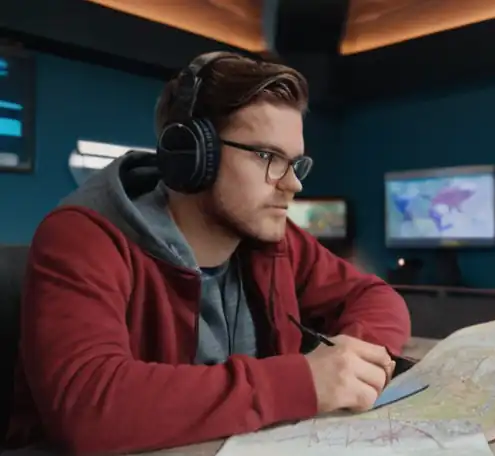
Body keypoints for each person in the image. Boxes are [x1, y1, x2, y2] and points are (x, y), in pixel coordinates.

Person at [6, 52, 411, 454]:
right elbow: (87, 408)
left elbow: (376, 298)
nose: (293, 185)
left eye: (295, 163)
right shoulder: (83, 237)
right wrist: (304, 381)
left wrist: (348, 365)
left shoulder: (275, 241)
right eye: (268, 158)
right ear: (193, 153)